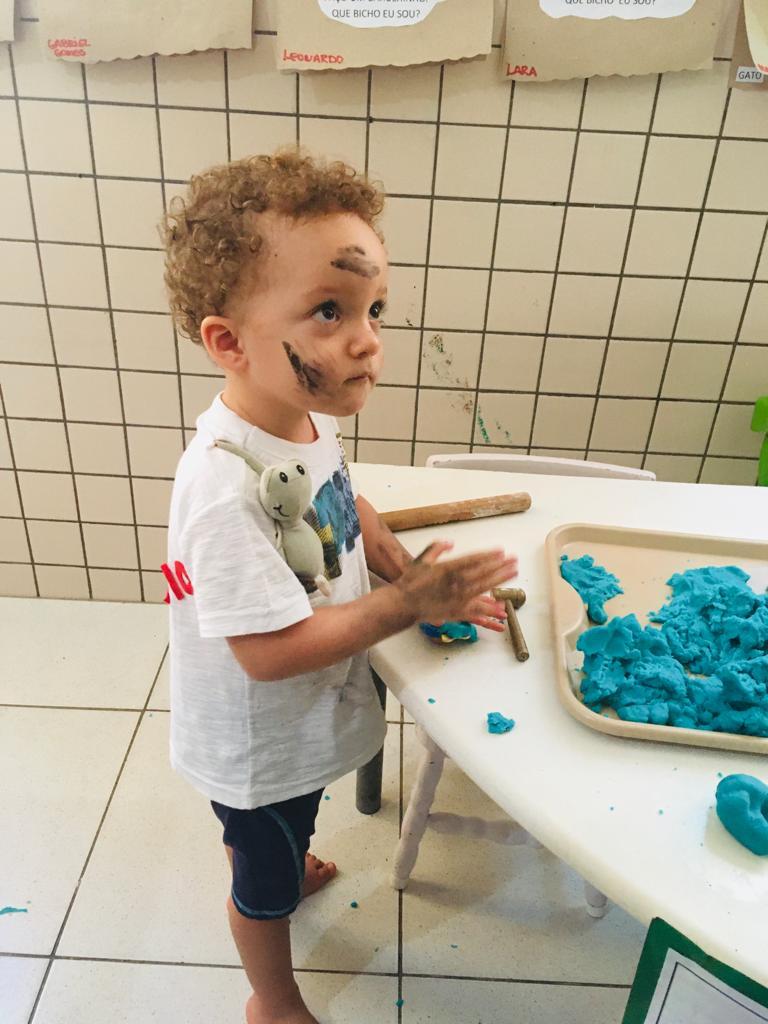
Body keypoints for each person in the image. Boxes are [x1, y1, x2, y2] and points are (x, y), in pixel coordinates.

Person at [161, 148, 517, 1024]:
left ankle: (287, 854)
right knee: (262, 880)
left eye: (373, 307)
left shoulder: (301, 418)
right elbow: (266, 655)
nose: (366, 338)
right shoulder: (223, 488)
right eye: (330, 310)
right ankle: (272, 998)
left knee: (288, 827)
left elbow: (343, 503)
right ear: (228, 342)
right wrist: (404, 606)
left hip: (302, 726)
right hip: (259, 744)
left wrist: (406, 570)